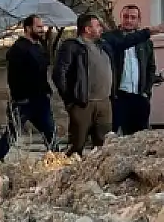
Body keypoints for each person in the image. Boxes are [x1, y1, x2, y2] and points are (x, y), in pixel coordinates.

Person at [52, 12, 164, 157]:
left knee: (104, 146)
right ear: (87, 29)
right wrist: (70, 101)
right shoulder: (73, 46)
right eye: (97, 26)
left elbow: (128, 40)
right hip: (83, 104)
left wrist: (151, 31)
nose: (101, 28)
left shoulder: (105, 44)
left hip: (105, 103)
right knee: (77, 145)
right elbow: (59, 74)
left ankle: (98, 177)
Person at [0, 14, 57, 161]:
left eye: (42, 26)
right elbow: (14, 78)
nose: (42, 30)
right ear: (28, 28)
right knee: (12, 132)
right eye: (38, 27)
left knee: (50, 132)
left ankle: (56, 159)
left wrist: (47, 92)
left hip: (40, 100)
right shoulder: (18, 49)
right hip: (24, 101)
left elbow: (41, 73)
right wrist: (20, 98)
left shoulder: (38, 47)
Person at [110, 4, 157, 135]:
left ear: (138, 20)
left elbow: (151, 68)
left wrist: (146, 91)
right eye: (125, 17)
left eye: (133, 17)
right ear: (120, 18)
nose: (129, 20)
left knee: (139, 138)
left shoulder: (146, 42)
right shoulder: (112, 39)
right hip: (119, 96)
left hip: (139, 95)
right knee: (116, 138)